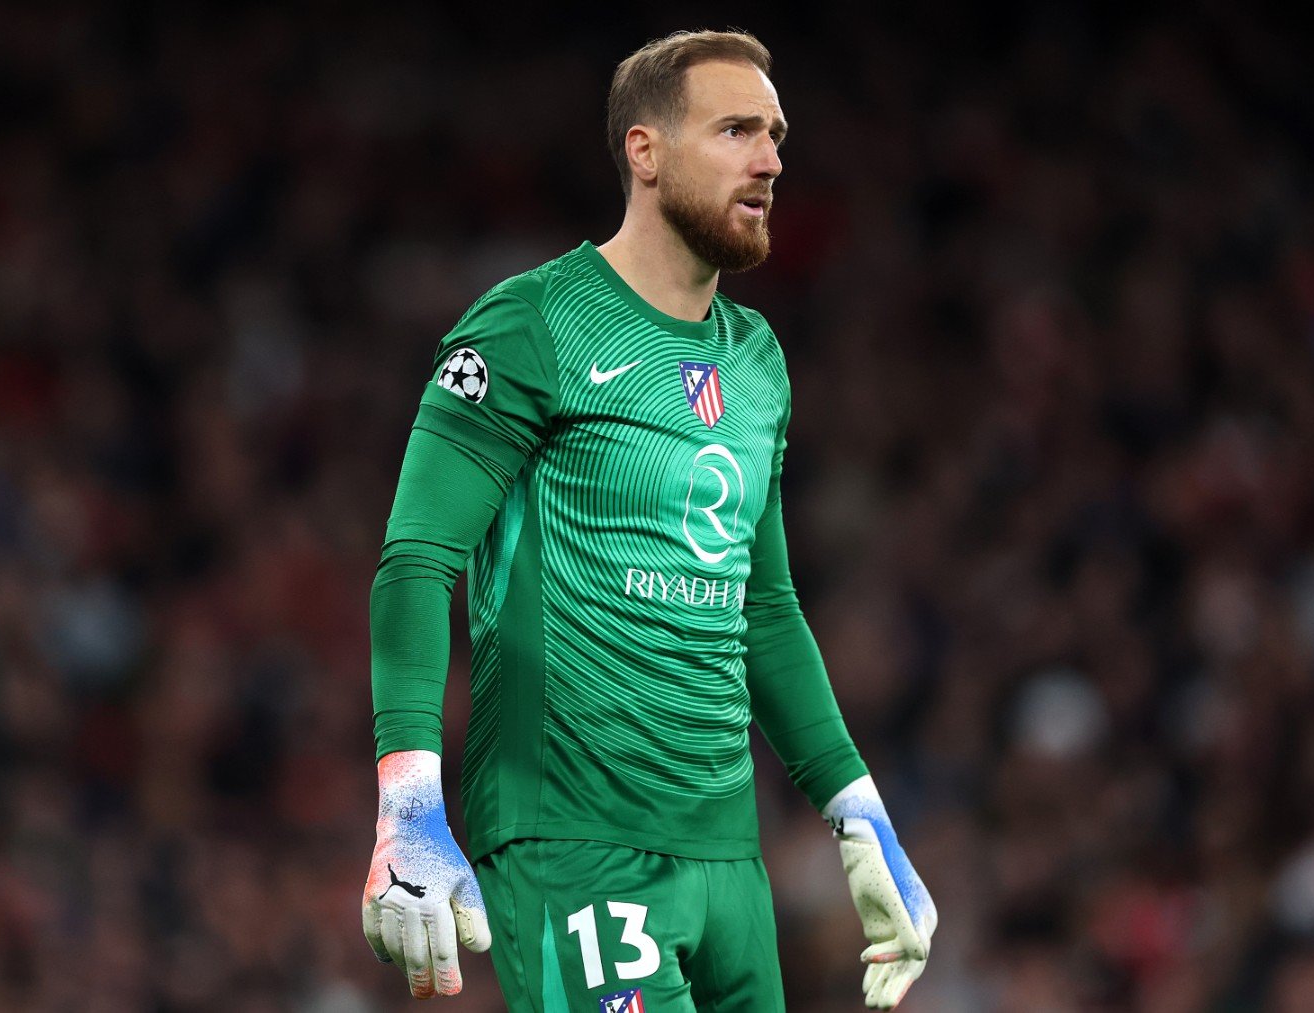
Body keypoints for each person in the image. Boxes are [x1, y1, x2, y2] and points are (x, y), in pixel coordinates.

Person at [361, 29, 937, 1011]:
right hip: (573, 838)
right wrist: (408, 805)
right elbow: (416, 560)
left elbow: (763, 608)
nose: (771, 160)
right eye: (737, 131)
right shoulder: (532, 323)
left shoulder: (757, 360)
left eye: (776, 135)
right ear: (647, 152)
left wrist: (858, 810)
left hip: (727, 856)